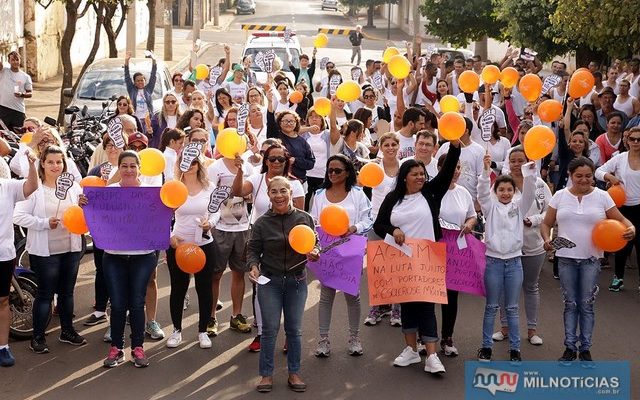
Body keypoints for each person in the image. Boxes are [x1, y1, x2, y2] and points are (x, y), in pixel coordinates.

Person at [374, 141, 461, 374]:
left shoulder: (431, 193)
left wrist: (454, 148)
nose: (421, 178)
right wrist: (394, 231)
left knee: (425, 306)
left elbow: (447, 171)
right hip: (401, 260)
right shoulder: (393, 198)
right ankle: (411, 351)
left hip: (427, 259)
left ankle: (432, 356)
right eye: (415, 174)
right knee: (407, 306)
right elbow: (379, 224)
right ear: (405, 177)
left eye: (423, 174)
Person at [541, 157, 635, 364]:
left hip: (591, 259)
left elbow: (621, 220)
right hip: (565, 258)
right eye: (579, 176)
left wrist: (631, 228)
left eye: (588, 176)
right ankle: (569, 347)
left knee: (586, 304)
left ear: (593, 176)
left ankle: (585, 349)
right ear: (570, 176)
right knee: (570, 303)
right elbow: (547, 223)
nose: (584, 180)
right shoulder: (559, 196)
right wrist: (547, 240)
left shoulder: (603, 197)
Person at [246, 176, 320, 393]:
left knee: (294, 329)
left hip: (297, 280)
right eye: (274, 191)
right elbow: (252, 249)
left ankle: (294, 373)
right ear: (268, 194)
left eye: (283, 191)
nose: (278, 196)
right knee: (269, 329)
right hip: (270, 280)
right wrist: (253, 265)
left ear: (290, 192)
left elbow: (315, 242)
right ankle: (266, 375)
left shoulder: (304, 218)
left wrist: (314, 252)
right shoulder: (261, 223)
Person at [232, 143, 306, 351]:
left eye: (280, 159)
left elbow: (300, 217)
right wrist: (239, 170)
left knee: (288, 289)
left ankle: (289, 335)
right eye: (271, 158)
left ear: (286, 162)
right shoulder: (256, 179)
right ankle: (263, 333)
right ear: (265, 161)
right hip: (260, 236)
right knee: (260, 285)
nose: (275, 162)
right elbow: (237, 191)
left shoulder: (295, 184)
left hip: (287, 241)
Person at [14, 145, 87, 353]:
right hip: (45, 253)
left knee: (67, 293)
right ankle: (37, 337)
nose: (56, 166)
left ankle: (67, 331)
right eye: (51, 162)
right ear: (42, 165)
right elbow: (17, 216)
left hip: (71, 248)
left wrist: (83, 204)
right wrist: (44, 222)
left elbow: (79, 213)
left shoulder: (72, 186)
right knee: (45, 293)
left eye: (59, 162)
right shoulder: (34, 189)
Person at [101, 151, 161, 368]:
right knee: (117, 304)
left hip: (142, 256)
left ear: (139, 168)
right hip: (114, 257)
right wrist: (86, 204)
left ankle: (138, 348)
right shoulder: (108, 193)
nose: (128, 170)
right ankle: (116, 348)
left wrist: (167, 208)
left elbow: (160, 218)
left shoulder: (151, 193)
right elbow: (96, 220)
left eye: (132, 166)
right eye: (124, 166)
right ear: (118, 168)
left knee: (137, 303)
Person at [310, 155, 372, 357]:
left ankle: (354, 338)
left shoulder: (358, 194)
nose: (333, 174)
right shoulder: (319, 195)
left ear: (347, 172)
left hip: (351, 251)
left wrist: (355, 227)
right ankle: (323, 340)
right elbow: (313, 221)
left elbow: (368, 218)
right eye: (330, 170)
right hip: (327, 252)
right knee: (326, 296)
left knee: (352, 297)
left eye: (337, 170)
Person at [477, 151, 536, 363]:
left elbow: (529, 191)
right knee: (492, 306)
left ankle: (515, 349)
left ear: (514, 192)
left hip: (514, 263)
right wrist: (485, 170)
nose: (505, 193)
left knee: (512, 307)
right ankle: (486, 347)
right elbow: (482, 192)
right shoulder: (490, 207)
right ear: (496, 191)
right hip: (493, 262)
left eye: (509, 190)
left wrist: (530, 170)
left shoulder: (519, 207)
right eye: (501, 189)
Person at [491, 148, 551, 347]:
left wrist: (532, 220)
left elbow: (550, 214)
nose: (517, 164)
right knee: (504, 290)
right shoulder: (502, 185)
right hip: (506, 250)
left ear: (527, 161)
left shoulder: (539, 185)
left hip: (533, 245)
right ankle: (505, 327)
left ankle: (532, 330)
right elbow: (490, 212)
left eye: (520, 160)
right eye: (513, 161)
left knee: (531, 287)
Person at [165, 152, 216, 350]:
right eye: (186, 161)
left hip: (203, 245)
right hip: (178, 245)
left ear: (199, 164)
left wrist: (210, 223)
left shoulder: (209, 187)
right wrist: (169, 236)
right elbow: (161, 215)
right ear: (180, 164)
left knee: (204, 288)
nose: (190, 165)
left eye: (194, 161)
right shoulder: (173, 187)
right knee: (178, 288)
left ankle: (203, 331)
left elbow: (216, 211)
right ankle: (176, 330)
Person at [207, 146, 255, 337]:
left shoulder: (248, 166)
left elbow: (251, 194)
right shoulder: (215, 167)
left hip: (242, 227)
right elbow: (209, 195)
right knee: (215, 274)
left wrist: (245, 191)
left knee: (239, 273)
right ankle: (211, 317)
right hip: (220, 227)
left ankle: (236, 315)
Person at [84, 134, 128, 340]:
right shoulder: (96, 171)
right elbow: (89, 199)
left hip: (123, 232)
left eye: (117, 144)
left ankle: (122, 312)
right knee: (101, 270)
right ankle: (100, 308)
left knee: (120, 273)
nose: (112, 148)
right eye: (108, 145)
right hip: (101, 230)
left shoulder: (130, 171)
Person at [436, 153, 477, 356]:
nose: (456, 171)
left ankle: (447, 337)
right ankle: (424, 337)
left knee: (451, 296)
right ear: (440, 168)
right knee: (429, 295)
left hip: (456, 252)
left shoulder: (463, 192)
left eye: (459, 167)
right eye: (452, 167)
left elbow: (472, 215)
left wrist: (469, 224)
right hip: (435, 249)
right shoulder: (434, 190)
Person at [0, 148, 37, 367]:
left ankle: (3, 347)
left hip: (3, 254)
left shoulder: (7, 187)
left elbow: (31, 186)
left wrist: (32, 165)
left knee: (3, 300)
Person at [363, 133, 401, 327]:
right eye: (386, 144)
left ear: (398, 146)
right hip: (377, 224)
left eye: (394, 144)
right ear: (380, 147)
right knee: (377, 269)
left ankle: (397, 309)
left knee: (396, 269)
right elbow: (360, 187)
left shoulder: (404, 168)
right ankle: (376, 308)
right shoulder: (373, 168)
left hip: (399, 225)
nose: (390, 147)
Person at [596, 127, 640, 292]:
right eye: (632, 139)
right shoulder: (620, 158)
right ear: (627, 141)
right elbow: (598, 171)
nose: (636, 142)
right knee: (622, 243)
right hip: (622, 208)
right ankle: (618, 278)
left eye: (639, 139)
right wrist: (610, 177)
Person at [266, 90, 315, 182]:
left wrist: (295, 160)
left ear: (296, 123)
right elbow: (270, 120)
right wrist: (269, 102)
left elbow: (311, 163)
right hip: (278, 181)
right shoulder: (276, 136)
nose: (289, 123)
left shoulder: (302, 142)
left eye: (292, 121)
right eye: (285, 121)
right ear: (279, 123)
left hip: (298, 181)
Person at [0, 51, 33, 131]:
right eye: (13, 60)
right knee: (2, 135)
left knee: (19, 135)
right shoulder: (3, 71)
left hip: (18, 111)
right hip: (3, 109)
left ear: (20, 60)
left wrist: (22, 94)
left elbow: (30, 93)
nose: (15, 62)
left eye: (17, 59)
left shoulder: (25, 77)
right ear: (9, 61)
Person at [124, 51, 158, 125]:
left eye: (142, 80)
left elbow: (153, 75)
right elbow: (127, 76)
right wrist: (126, 61)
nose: (140, 82)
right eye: (138, 81)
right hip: (135, 120)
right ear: (134, 82)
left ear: (145, 81)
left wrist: (154, 61)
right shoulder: (132, 90)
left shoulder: (148, 89)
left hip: (147, 120)